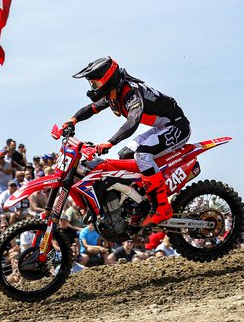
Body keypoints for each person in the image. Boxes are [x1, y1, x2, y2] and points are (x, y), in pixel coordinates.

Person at [65, 56, 190, 226]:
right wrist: (72, 120)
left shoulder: (130, 92)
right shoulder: (112, 93)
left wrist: (110, 142)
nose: (93, 88)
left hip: (177, 126)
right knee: (125, 156)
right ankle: (138, 205)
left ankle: (162, 207)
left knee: (143, 154)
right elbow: (92, 109)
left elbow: (133, 121)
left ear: (108, 79)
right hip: (162, 127)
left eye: (96, 83)